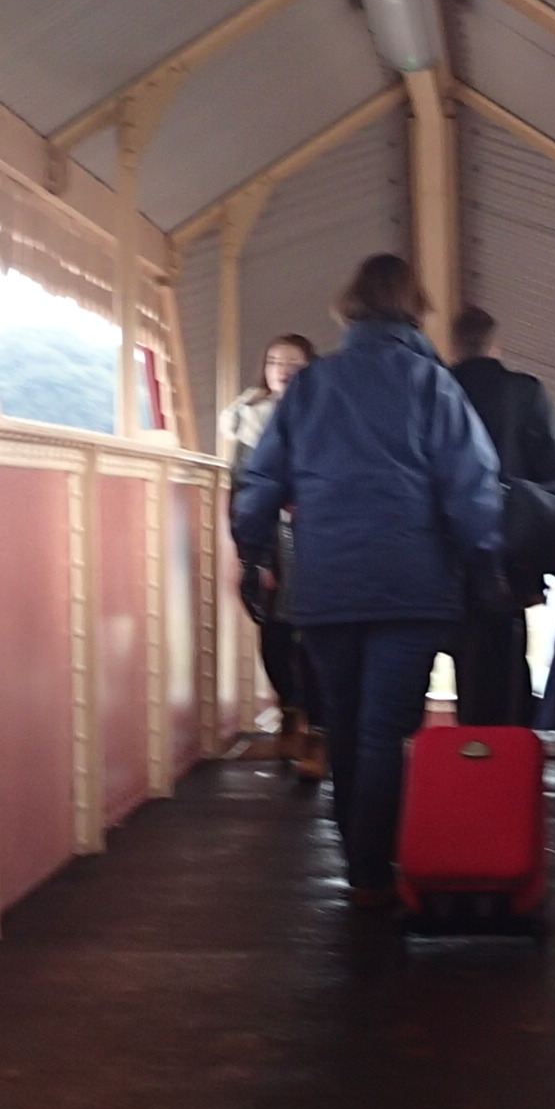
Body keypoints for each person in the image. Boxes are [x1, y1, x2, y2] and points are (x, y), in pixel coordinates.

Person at [232, 255, 503, 906]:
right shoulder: (433, 385)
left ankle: (359, 856)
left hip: (327, 582)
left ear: (349, 307)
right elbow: (471, 484)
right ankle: (372, 869)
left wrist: (252, 553)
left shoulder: (311, 386)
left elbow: (261, 479)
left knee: (346, 723)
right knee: (384, 728)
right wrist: (485, 562)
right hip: (412, 583)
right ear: (415, 308)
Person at [445, 306, 555, 726]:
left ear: (453, 347)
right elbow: (553, 474)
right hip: (509, 553)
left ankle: (450, 749)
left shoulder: (437, 389)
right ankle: (504, 746)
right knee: (503, 657)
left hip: (445, 549)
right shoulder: (525, 392)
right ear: (496, 347)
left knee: (447, 652)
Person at [218, 333, 327, 779]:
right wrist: (251, 550)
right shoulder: (248, 417)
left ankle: (316, 733)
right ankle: (289, 710)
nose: (282, 370)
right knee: (274, 632)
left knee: (314, 636)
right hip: (268, 539)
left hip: (316, 537)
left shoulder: (325, 412)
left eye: (294, 363)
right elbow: (241, 487)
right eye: (275, 361)